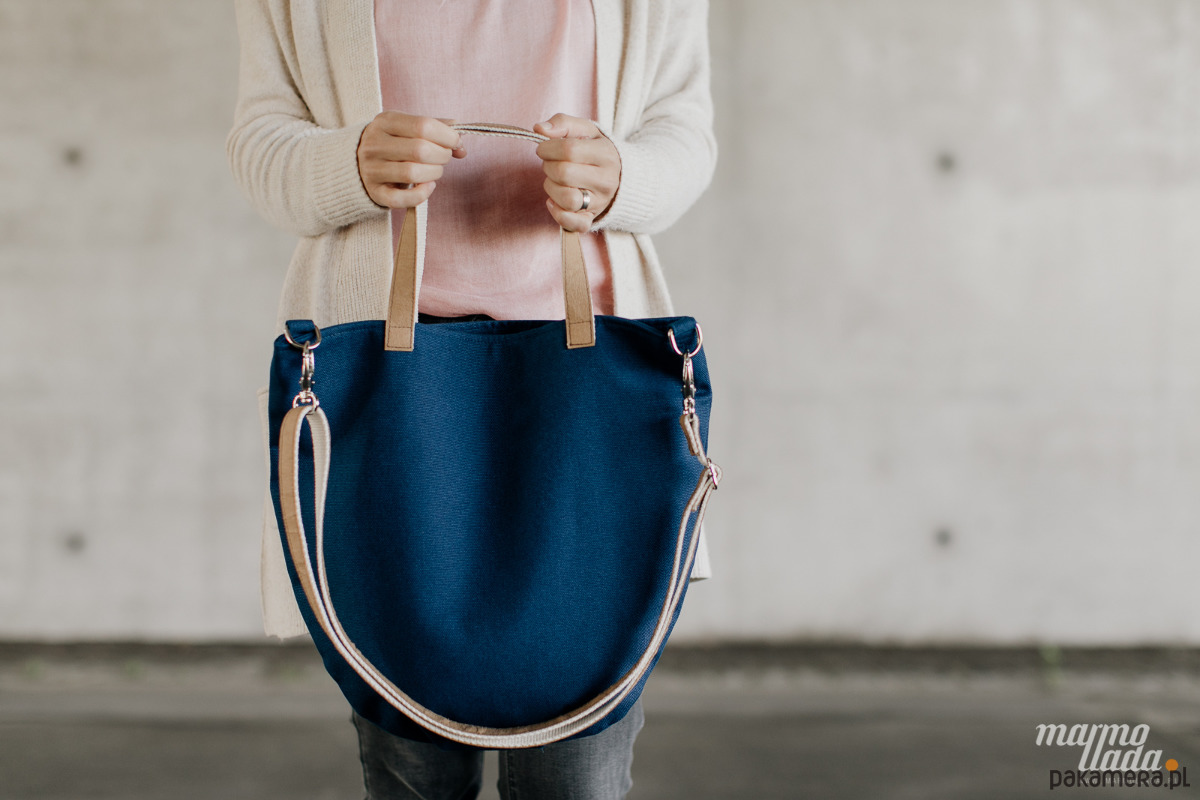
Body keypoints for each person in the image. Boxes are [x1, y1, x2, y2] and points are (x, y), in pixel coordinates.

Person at [227, 1, 716, 798]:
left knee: (578, 771)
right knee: (410, 762)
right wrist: (349, 166)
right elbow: (261, 143)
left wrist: (622, 177)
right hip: (384, 394)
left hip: (591, 393)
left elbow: (684, 135)